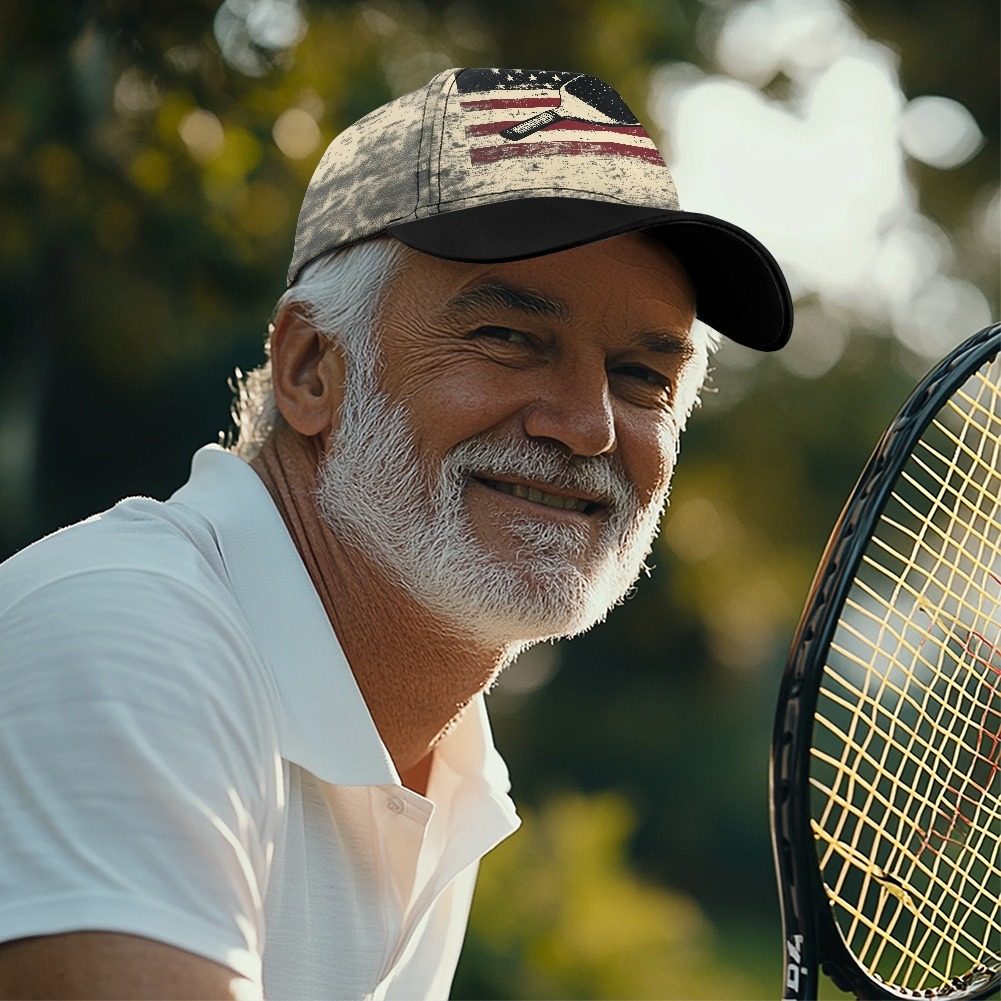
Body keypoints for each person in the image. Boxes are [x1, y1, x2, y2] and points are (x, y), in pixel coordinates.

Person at [0, 67, 792, 1000]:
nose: (588, 426)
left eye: (641, 376)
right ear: (309, 369)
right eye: (507, 336)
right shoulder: (126, 639)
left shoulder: (443, 762)